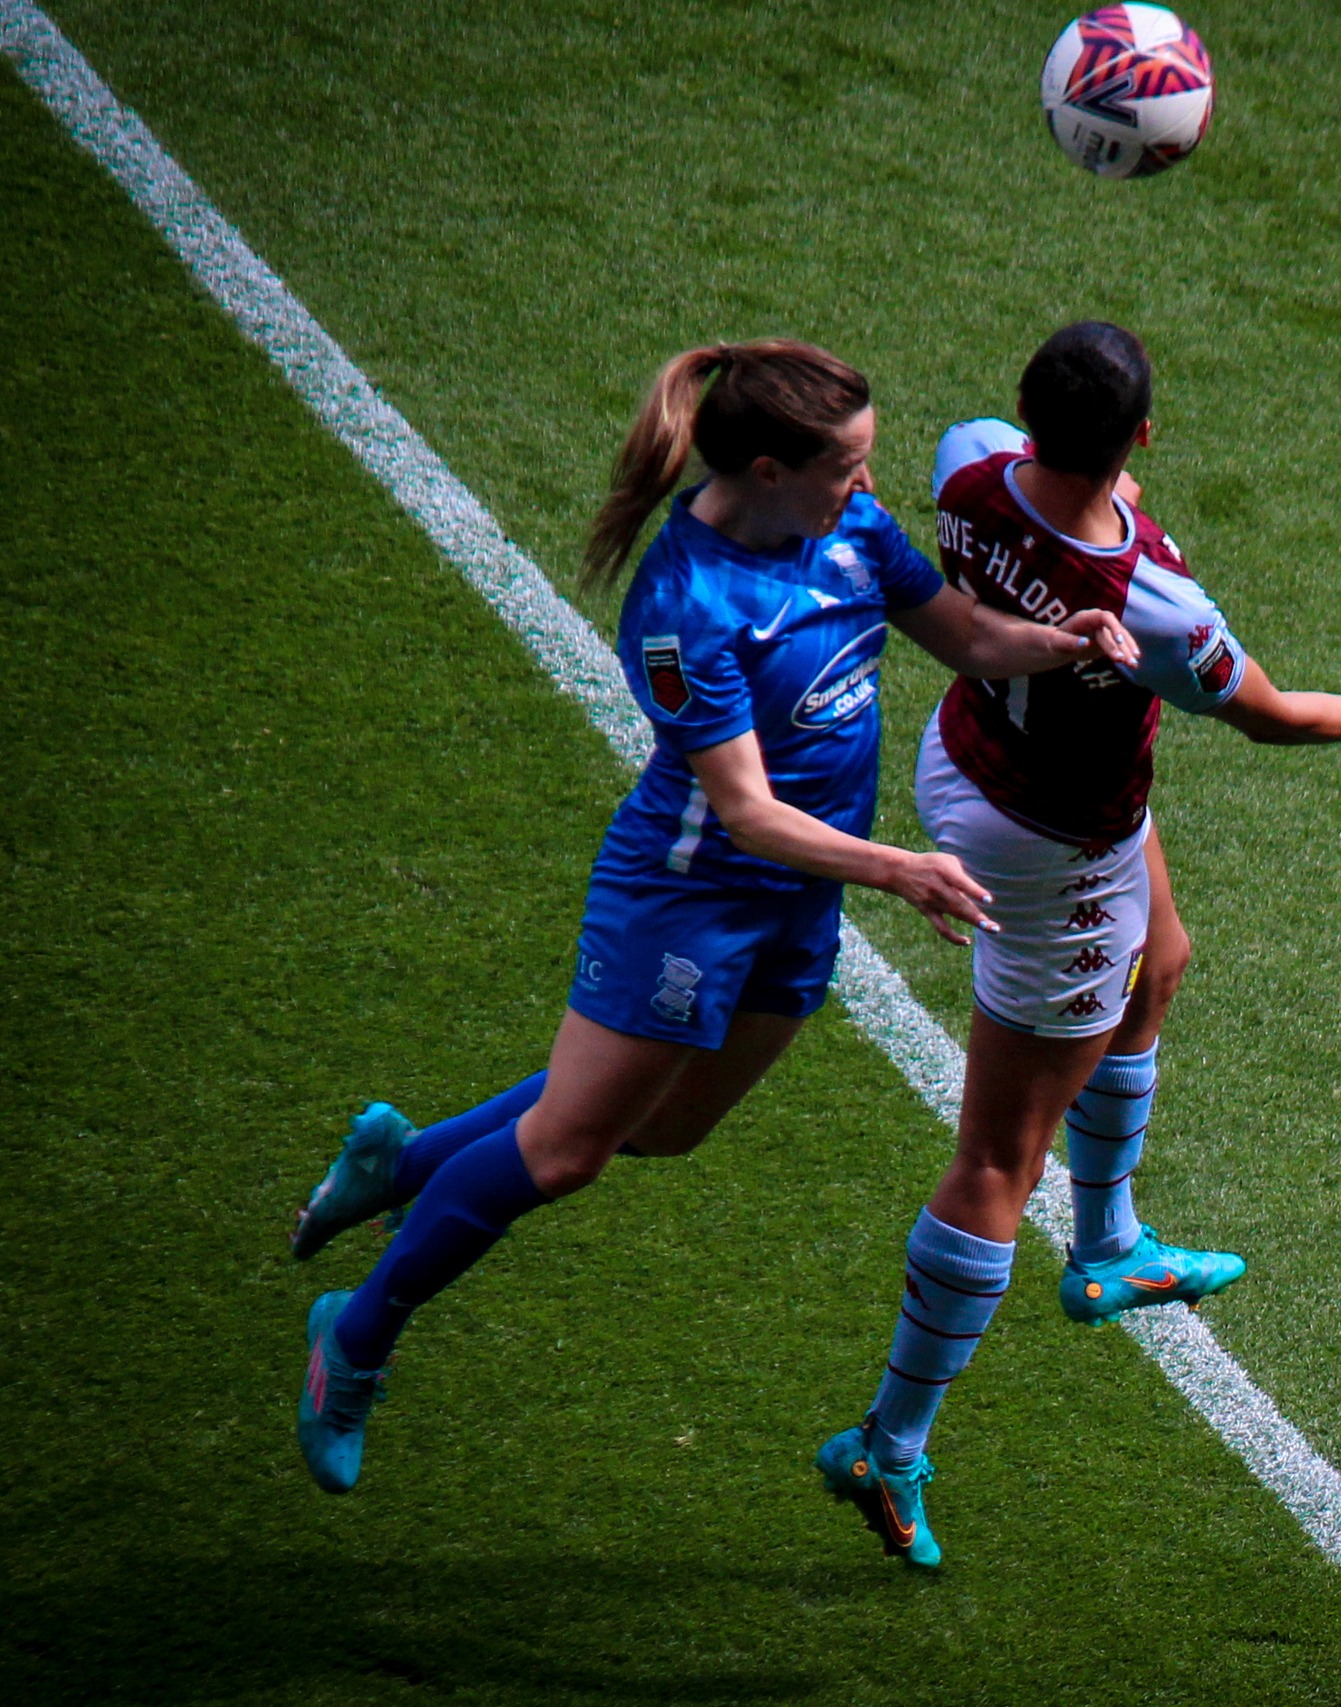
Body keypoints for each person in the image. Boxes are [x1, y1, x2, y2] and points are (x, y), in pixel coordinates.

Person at [291, 338, 1138, 1494]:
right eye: (846, 466)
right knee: (570, 1147)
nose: (866, 486)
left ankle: (405, 1160)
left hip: (799, 900)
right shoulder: (684, 603)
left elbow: (964, 632)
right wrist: (899, 869)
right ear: (764, 466)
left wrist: (1064, 638)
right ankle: (356, 1333)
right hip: (688, 901)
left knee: (663, 1126)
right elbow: (741, 811)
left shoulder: (846, 530)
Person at [815, 321, 1341, 1566]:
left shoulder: (967, 459)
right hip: (1051, 842)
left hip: (978, 757)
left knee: (1163, 961)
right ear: (1141, 433)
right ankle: (889, 1438)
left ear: (1027, 413)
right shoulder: (1158, 609)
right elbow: (1278, 717)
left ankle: (1111, 1244)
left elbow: (1050, 521)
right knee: (993, 1159)